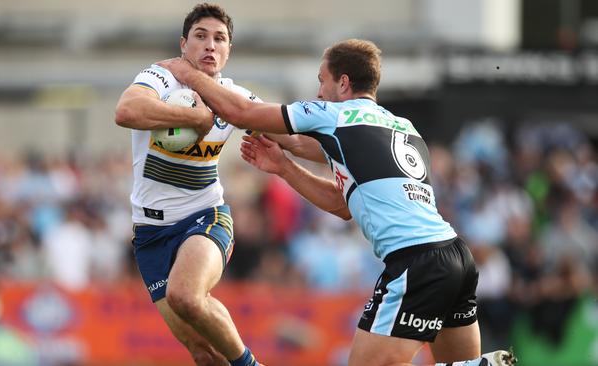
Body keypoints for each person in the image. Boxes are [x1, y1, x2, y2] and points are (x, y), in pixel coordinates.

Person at [160, 39, 517, 366]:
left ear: (343, 83)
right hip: (456, 257)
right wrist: (284, 167)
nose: (318, 91)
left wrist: (189, 74)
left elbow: (243, 113)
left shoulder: (336, 115)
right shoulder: (401, 126)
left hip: (417, 262)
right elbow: (342, 203)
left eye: (322, 80)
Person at [114, 3, 264, 366]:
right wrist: (195, 116)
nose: (210, 45)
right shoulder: (162, 77)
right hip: (150, 233)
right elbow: (126, 112)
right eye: (200, 36)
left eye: (219, 39)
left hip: (205, 216)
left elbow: (289, 135)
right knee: (203, 353)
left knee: (186, 295)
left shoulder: (234, 97)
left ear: (228, 51)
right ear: (183, 45)